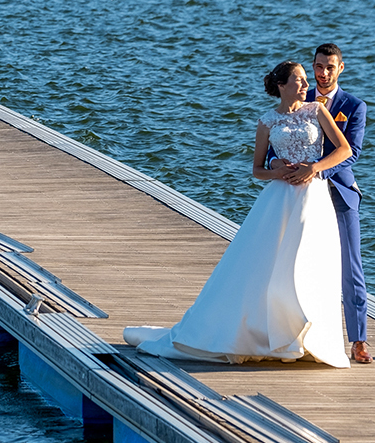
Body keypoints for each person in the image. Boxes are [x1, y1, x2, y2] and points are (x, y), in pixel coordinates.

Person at [123, 61, 353, 367]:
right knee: (268, 264)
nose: (305, 84)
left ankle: (306, 338)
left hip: (313, 197)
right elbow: (257, 169)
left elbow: (344, 149)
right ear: (281, 86)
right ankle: (267, 335)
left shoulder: (317, 111)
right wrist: (277, 171)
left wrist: (315, 168)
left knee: (308, 263)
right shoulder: (267, 121)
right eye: (297, 80)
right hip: (280, 197)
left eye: (304, 79)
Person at [269, 43, 371, 364]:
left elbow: (351, 151)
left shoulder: (354, 106)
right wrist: (274, 163)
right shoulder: (299, 96)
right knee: (292, 263)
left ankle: (358, 340)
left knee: (350, 268)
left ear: (341, 68)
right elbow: (278, 135)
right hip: (297, 195)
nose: (322, 73)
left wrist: (316, 171)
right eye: (318, 66)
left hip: (338, 192)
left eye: (329, 67)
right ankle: (296, 334)